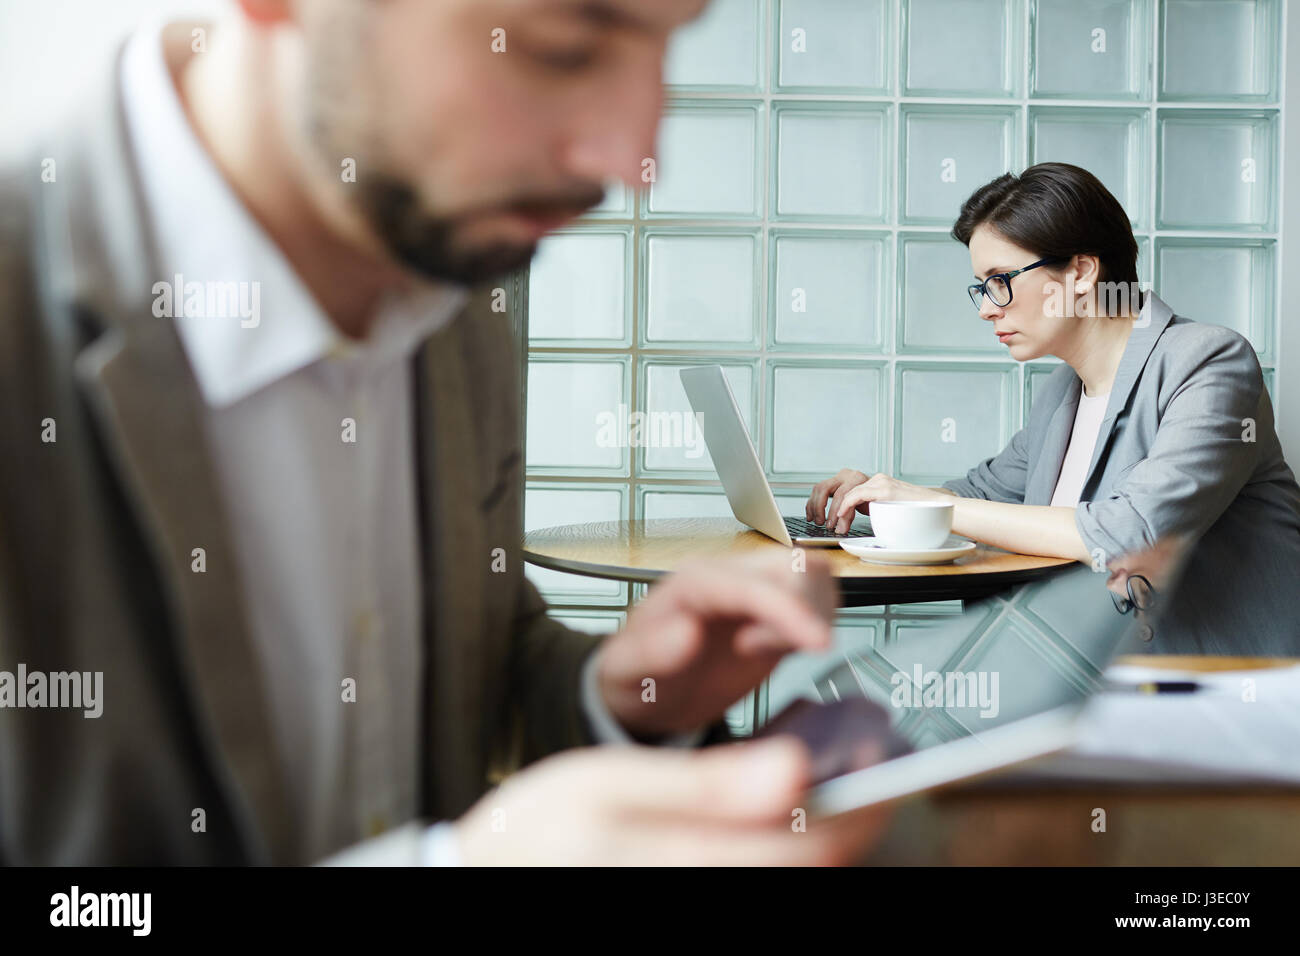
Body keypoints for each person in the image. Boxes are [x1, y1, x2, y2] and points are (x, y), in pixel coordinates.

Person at [0, 0, 888, 865]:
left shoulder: (454, 294)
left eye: (667, 46)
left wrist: (627, 694)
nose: (633, 156)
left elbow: (454, 681)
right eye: (560, 48)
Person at [807, 163, 1300, 655]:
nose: (986, 308)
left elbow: (1133, 532)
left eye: (1000, 280)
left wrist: (928, 503)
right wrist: (879, 498)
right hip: (1084, 680)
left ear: (1081, 272)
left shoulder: (1210, 360)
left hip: (1208, 696)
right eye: (981, 286)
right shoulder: (1062, 392)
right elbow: (983, 494)